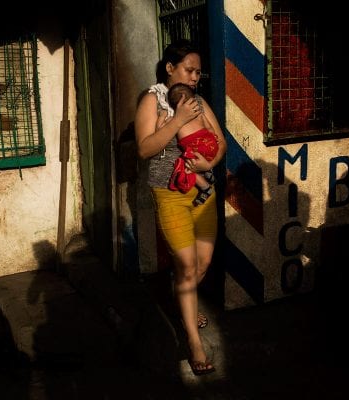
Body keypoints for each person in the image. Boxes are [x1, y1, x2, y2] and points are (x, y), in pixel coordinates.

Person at [135, 39, 226, 376]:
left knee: (202, 264)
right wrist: (177, 121)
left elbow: (221, 141)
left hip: (204, 193)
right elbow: (144, 149)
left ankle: (183, 291)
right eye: (189, 70)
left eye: (198, 72)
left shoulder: (199, 101)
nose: (194, 77)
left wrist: (209, 163)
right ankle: (194, 342)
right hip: (170, 194)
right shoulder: (152, 99)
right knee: (188, 268)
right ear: (170, 68)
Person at [162, 82, 219, 206]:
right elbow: (210, 128)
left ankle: (205, 188)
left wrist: (163, 116)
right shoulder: (199, 114)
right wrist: (214, 139)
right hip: (211, 145)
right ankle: (209, 173)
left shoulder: (175, 120)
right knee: (202, 155)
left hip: (196, 149)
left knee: (186, 167)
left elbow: (161, 128)